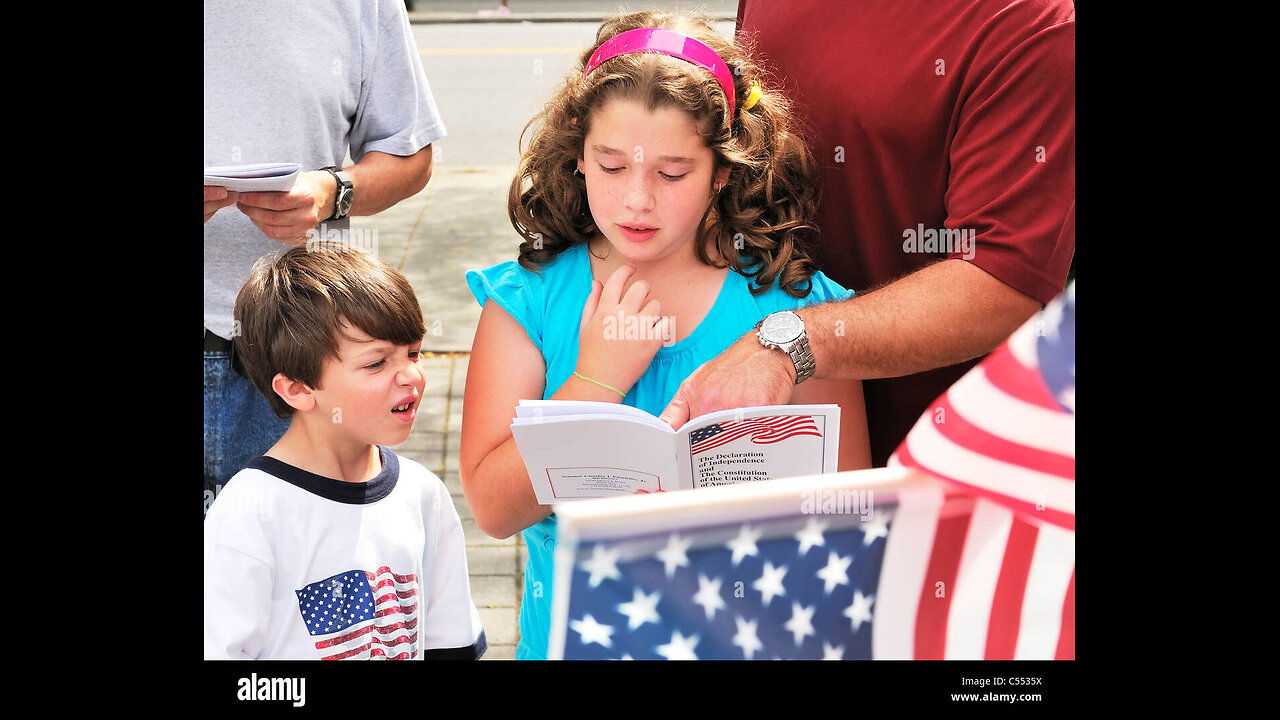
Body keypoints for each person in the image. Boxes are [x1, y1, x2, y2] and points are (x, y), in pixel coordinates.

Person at [459, 10, 873, 661]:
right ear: (578, 155)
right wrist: (597, 379)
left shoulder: (797, 313)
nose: (637, 201)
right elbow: (492, 507)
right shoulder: (527, 300)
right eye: (612, 165)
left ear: (724, 171)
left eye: (673, 173)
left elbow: (850, 519)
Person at [658, 0, 1076, 466]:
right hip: (743, 426)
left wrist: (783, 345)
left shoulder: (1036, 22)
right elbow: (742, 151)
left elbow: (1000, 283)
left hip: (926, 465)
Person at [204, 0, 446, 517]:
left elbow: (409, 152)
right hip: (304, 355)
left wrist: (333, 191)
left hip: (302, 351)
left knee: (310, 579)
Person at [204, 244, 486, 660]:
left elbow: (451, 644)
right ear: (297, 389)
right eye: (376, 363)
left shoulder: (424, 494)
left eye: (413, 352)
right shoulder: (249, 513)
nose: (411, 374)